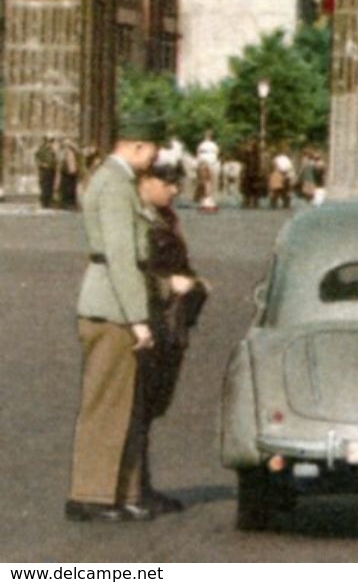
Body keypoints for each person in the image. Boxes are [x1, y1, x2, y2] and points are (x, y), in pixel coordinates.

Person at [67, 113, 161, 522]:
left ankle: (119, 491)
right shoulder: (115, 184)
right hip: (113, 307)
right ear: (137, 145)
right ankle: (91, 495)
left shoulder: (112, 180)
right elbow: (122, 257)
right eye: (154, 148)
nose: (156, 157)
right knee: (108, 403)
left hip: (111, 302)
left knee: (123, 403)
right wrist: (138, 317)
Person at [127, 162, 208, 516]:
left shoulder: (163, 217)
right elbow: (131, 271)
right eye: (168, 183)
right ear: (146, 181)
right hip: (152, 320)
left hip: (170, 321)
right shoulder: (138, 219)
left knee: (151, 406)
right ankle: (134, 490)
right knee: (140, 407)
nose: (175, 190)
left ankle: (139, 487)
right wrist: (172, 284)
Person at [58, 138, 81, 210]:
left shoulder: (67, 152)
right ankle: (69, 203)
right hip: (70, 172)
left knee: (68, 188)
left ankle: (68, 203)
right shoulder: (72, 152)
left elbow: (61, 161)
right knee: (69, 188)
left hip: (69, 172)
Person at [35, 134, 58, 209]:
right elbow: (37, 159)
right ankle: (45, 202)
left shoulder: (52, 150)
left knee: (50, 186)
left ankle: (49, 201)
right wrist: (43, 164)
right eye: (50, 141)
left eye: (52, 141)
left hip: (51, 170)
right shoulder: (42, 150)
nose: (51, 143)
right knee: (45, 186)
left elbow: (55, 159)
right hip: (44, 171)